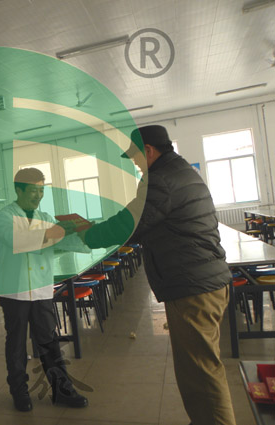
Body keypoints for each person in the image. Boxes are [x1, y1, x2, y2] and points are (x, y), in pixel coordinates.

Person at [83, 125, 236, 425]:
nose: (135, 163)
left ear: (149, 151)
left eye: (136, 156)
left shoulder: (161, 180)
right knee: (199, 369)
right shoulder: (181, 172)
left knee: (202, 374)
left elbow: (129, 225)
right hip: (203, 281)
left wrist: (87, 234)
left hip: (193, 289)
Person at [0, 167, 88, 412]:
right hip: (14, 291)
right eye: (33, 190)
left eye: (42, 190)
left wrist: (83, 233)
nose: (38, 195)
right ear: (18, 190)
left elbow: (63, 242)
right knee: (16, 343)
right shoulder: (3, 216)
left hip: (41, 289)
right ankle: (19, 392)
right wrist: (51, 233)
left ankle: (62, 390)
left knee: (48, 341)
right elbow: (17, 240)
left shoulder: (46, 217)